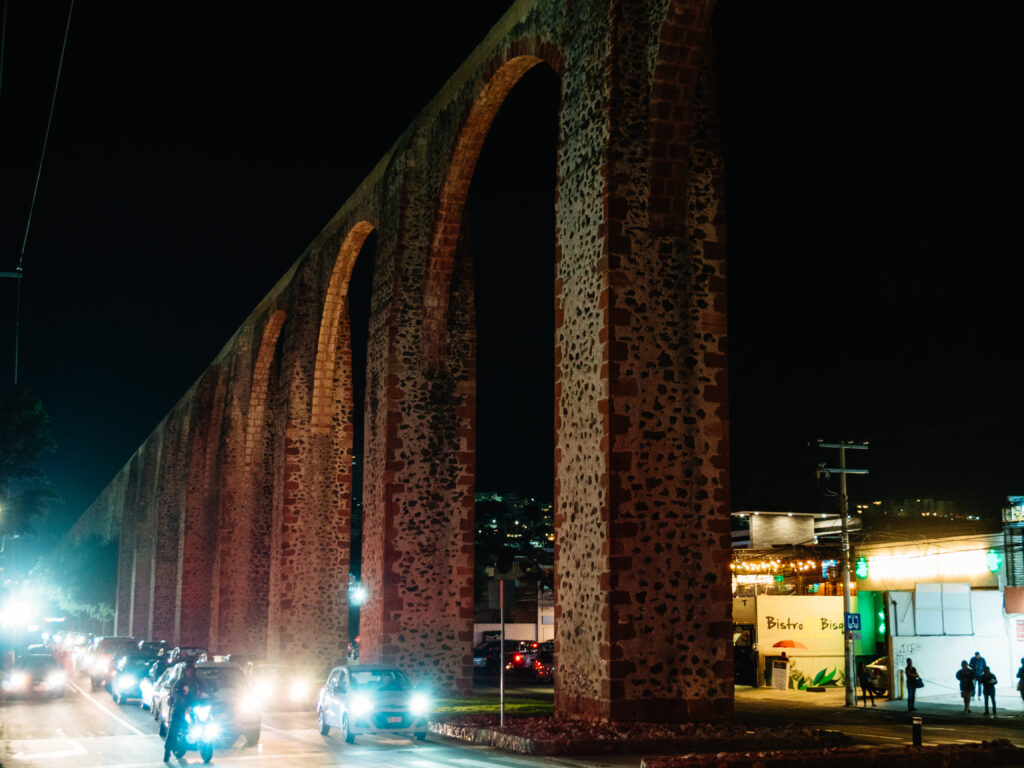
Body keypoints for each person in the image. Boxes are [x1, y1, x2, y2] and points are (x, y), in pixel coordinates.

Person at [164, 662, 203, 762]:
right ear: (185, 672)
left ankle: (205, 746)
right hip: (181, 709)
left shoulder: (198, 682)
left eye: (192, 670)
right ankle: (167, 751)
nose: (190, 672)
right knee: (173, 728)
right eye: (188, 670)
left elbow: (205, 691)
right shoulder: (180, 682)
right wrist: (181, 698)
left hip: (193, 708)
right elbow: (175, 692)